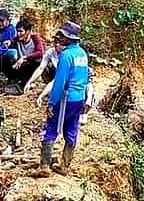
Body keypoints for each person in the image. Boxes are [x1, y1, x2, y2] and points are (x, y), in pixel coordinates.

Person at [39, 21, 88, 175]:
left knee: (51, 127)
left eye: (62, 36)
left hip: (66, 98)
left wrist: (51, 103)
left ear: (68, 38)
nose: (59, 39)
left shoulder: (66, 55)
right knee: (72, 129)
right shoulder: (82, 53)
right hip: (79, 98)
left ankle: (44, 167)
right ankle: (64, 165)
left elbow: (59, 83)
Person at [8, 18, 45, 90]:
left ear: (28, 31)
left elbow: (40, 52)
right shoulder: (17, 39)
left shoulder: (35, 38)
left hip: (31, 64)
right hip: (21, 65)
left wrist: (25, 57)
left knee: (37, 61)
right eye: (17, 31)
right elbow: (13, 40)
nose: (18, 34)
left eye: (21, 31)